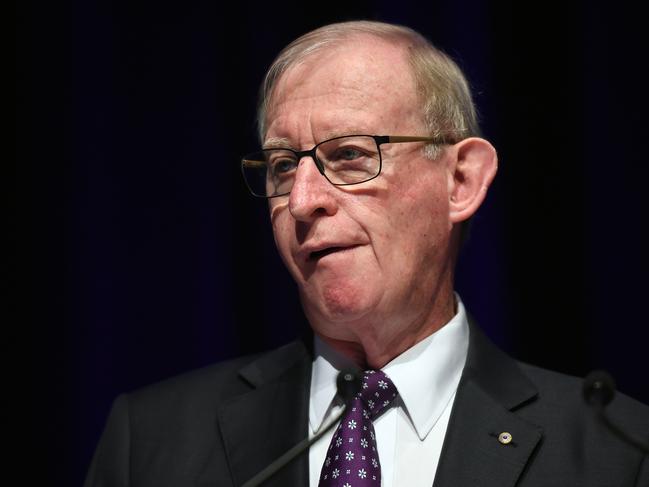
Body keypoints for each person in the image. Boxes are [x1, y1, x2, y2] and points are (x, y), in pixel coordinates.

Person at [85, 20, 649, 487]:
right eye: (283, 166)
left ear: (461, 181)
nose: (302, 201)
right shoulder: (153, 443)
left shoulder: (617, 450)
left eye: (351, 155)